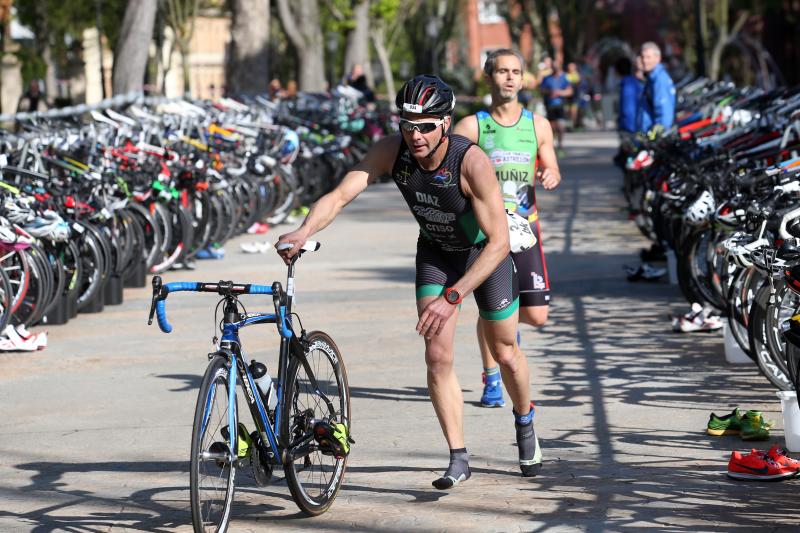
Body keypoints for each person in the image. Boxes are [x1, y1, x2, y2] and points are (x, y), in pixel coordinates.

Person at [276, 75, 542, 488]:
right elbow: (341, 194)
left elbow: (498, 243)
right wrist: (304, 230)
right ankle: (458, 456)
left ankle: (524, 421)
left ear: (446, 123)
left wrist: (453, 296)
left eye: (425, 126)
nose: (414, 135)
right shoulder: (392, 150)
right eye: (407, 124)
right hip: (436, 252)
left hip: (481, 255)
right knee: (437, 355)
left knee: (506, 352)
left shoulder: (470, 162)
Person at [454, 49, 561, 415]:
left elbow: (552, 167)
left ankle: (504, 334)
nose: (510, 78)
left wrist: (550, 174)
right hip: (488, 235)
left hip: (526, 230)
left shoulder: (538, 125)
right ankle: (492, 376)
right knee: (493, 308)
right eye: (503, 71)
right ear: (490, 77)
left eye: (516, 72)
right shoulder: (473, 126)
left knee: (536, 316)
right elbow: (451, 169)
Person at [636, 42, 676, 134]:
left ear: (658, 58)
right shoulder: (651, 78)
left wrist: (659, 134)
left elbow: (664, 111)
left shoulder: (660, 80)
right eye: (643, 57)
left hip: (655, 137)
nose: (645, 61)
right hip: (648, 134)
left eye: (648, 57)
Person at [539, 61, 572, 153]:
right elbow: (541, 89)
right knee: (552, 127)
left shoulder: (564, 77)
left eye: (556, 67)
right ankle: (551, 146)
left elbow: (570, 91)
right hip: (549, 105)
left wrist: (559, 92)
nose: (555, 69)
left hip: (560, 105)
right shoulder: (547, 78)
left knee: (561, 126)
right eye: (553, 67)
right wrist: (549, 92)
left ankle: (560, 145)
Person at [617, 56, 644, 135]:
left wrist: (630, 131)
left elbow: (628, 109)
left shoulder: (628, 85)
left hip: (631, 128)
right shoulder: (633, 82)